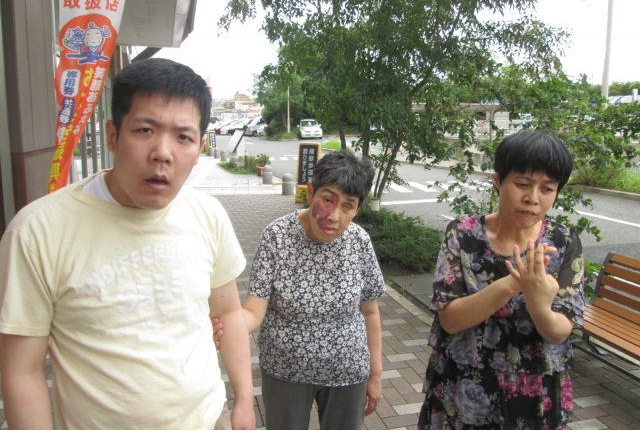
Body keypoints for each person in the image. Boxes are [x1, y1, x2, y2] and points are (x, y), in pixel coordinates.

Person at [0, 58, 255, 430]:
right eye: (145, 130)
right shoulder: (38, 232)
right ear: (112, 136)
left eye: (183, 137)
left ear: (201, 147)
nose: (163, 152)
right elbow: (22, 371)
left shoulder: (208, 214)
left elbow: (228, 312)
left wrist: (244, 399)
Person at [418, 131, 585, 429]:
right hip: (465, 383)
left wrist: (539, 303)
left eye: (547, 189)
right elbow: (451, 320)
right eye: (522, 184)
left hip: (533, 388)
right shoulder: (462, 235)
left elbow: (560, 331)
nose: (533, 198)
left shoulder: (563, 242)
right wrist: (514, 283)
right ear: (498, 180)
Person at [217, 149, 386, 429]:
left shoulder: (359, 242)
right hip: (284, 371)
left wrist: (375, 374)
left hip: (348, 371)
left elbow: (370, 312)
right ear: (310, 192)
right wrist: (222, 324)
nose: (334, 216)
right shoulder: (276, 237)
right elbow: (253, 313)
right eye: (327, 200)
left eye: (348, 206)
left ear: (357, 209)